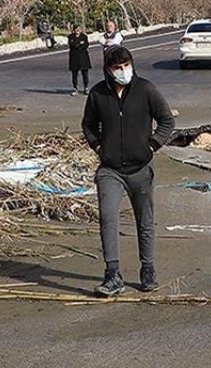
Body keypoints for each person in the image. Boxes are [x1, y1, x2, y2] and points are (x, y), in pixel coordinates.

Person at [81, 45, 175, 297]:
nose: (123, 71)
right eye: (117, 68)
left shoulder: (146, 89)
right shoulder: (98, 94)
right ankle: (112, 275)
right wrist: (99, 147)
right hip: (110, 169)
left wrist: (152, 146)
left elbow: (167, 120)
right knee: (107, 217)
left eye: (126, 66)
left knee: (144, 220)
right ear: (109, 70)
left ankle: (148, 269)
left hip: (141, 168)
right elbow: (88, 125)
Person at [68, 24, 91, 96]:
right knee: (74, 74)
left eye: (79, 29)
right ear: (73, 30)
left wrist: (79, 45)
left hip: (83, 57)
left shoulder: (84, 36)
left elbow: (86, 45)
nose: (77, 31)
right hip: (74, 57)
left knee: (85, 73)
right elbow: (72, 44)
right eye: (76, 29)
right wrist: (79, 44)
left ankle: (86, 87)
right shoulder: (70, 37)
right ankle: (75, 88)